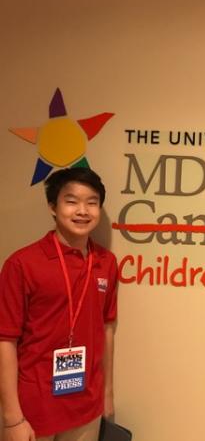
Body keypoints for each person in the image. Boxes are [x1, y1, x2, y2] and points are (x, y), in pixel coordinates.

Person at [0, 167, 118, 441]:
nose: (83, 211)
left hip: (87, 403)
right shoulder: (23, 264)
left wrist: (107, 395)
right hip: (34, 405)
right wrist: (11, 417)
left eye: (92, 203)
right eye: (72, 201)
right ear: (53, 207)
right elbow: (5, 339)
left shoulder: (106, 263)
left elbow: (107, 328)